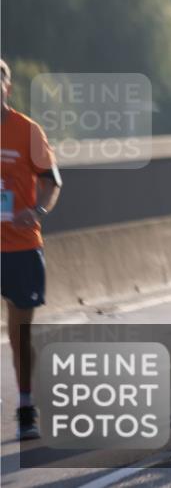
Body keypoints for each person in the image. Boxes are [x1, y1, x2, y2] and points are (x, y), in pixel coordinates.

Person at [1, 59, 63, 440]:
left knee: (19, 331)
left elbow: (52, 183)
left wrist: (36, 210)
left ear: (6, 87)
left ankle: (26, 405)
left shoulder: (27, 131)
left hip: (21, 245)